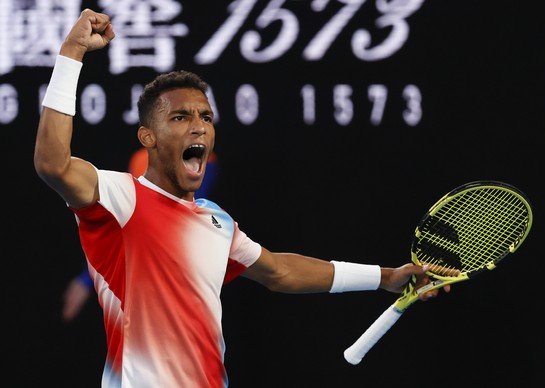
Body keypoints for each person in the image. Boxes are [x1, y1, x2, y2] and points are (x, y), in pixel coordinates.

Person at [34, 9, 449, 387]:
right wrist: (72, 52)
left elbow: (281, 271)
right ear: (148, 138)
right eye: (180, 117)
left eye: (206, 117)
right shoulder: (120, 198)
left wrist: (385, 277)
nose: (199, 127)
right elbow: (53, 164)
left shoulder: (216, 223)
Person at [61, 147, 218, 322]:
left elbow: (186, 215)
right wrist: (86, 279)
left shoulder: (202, 163)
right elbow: (126, 221)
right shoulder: (141, 161)